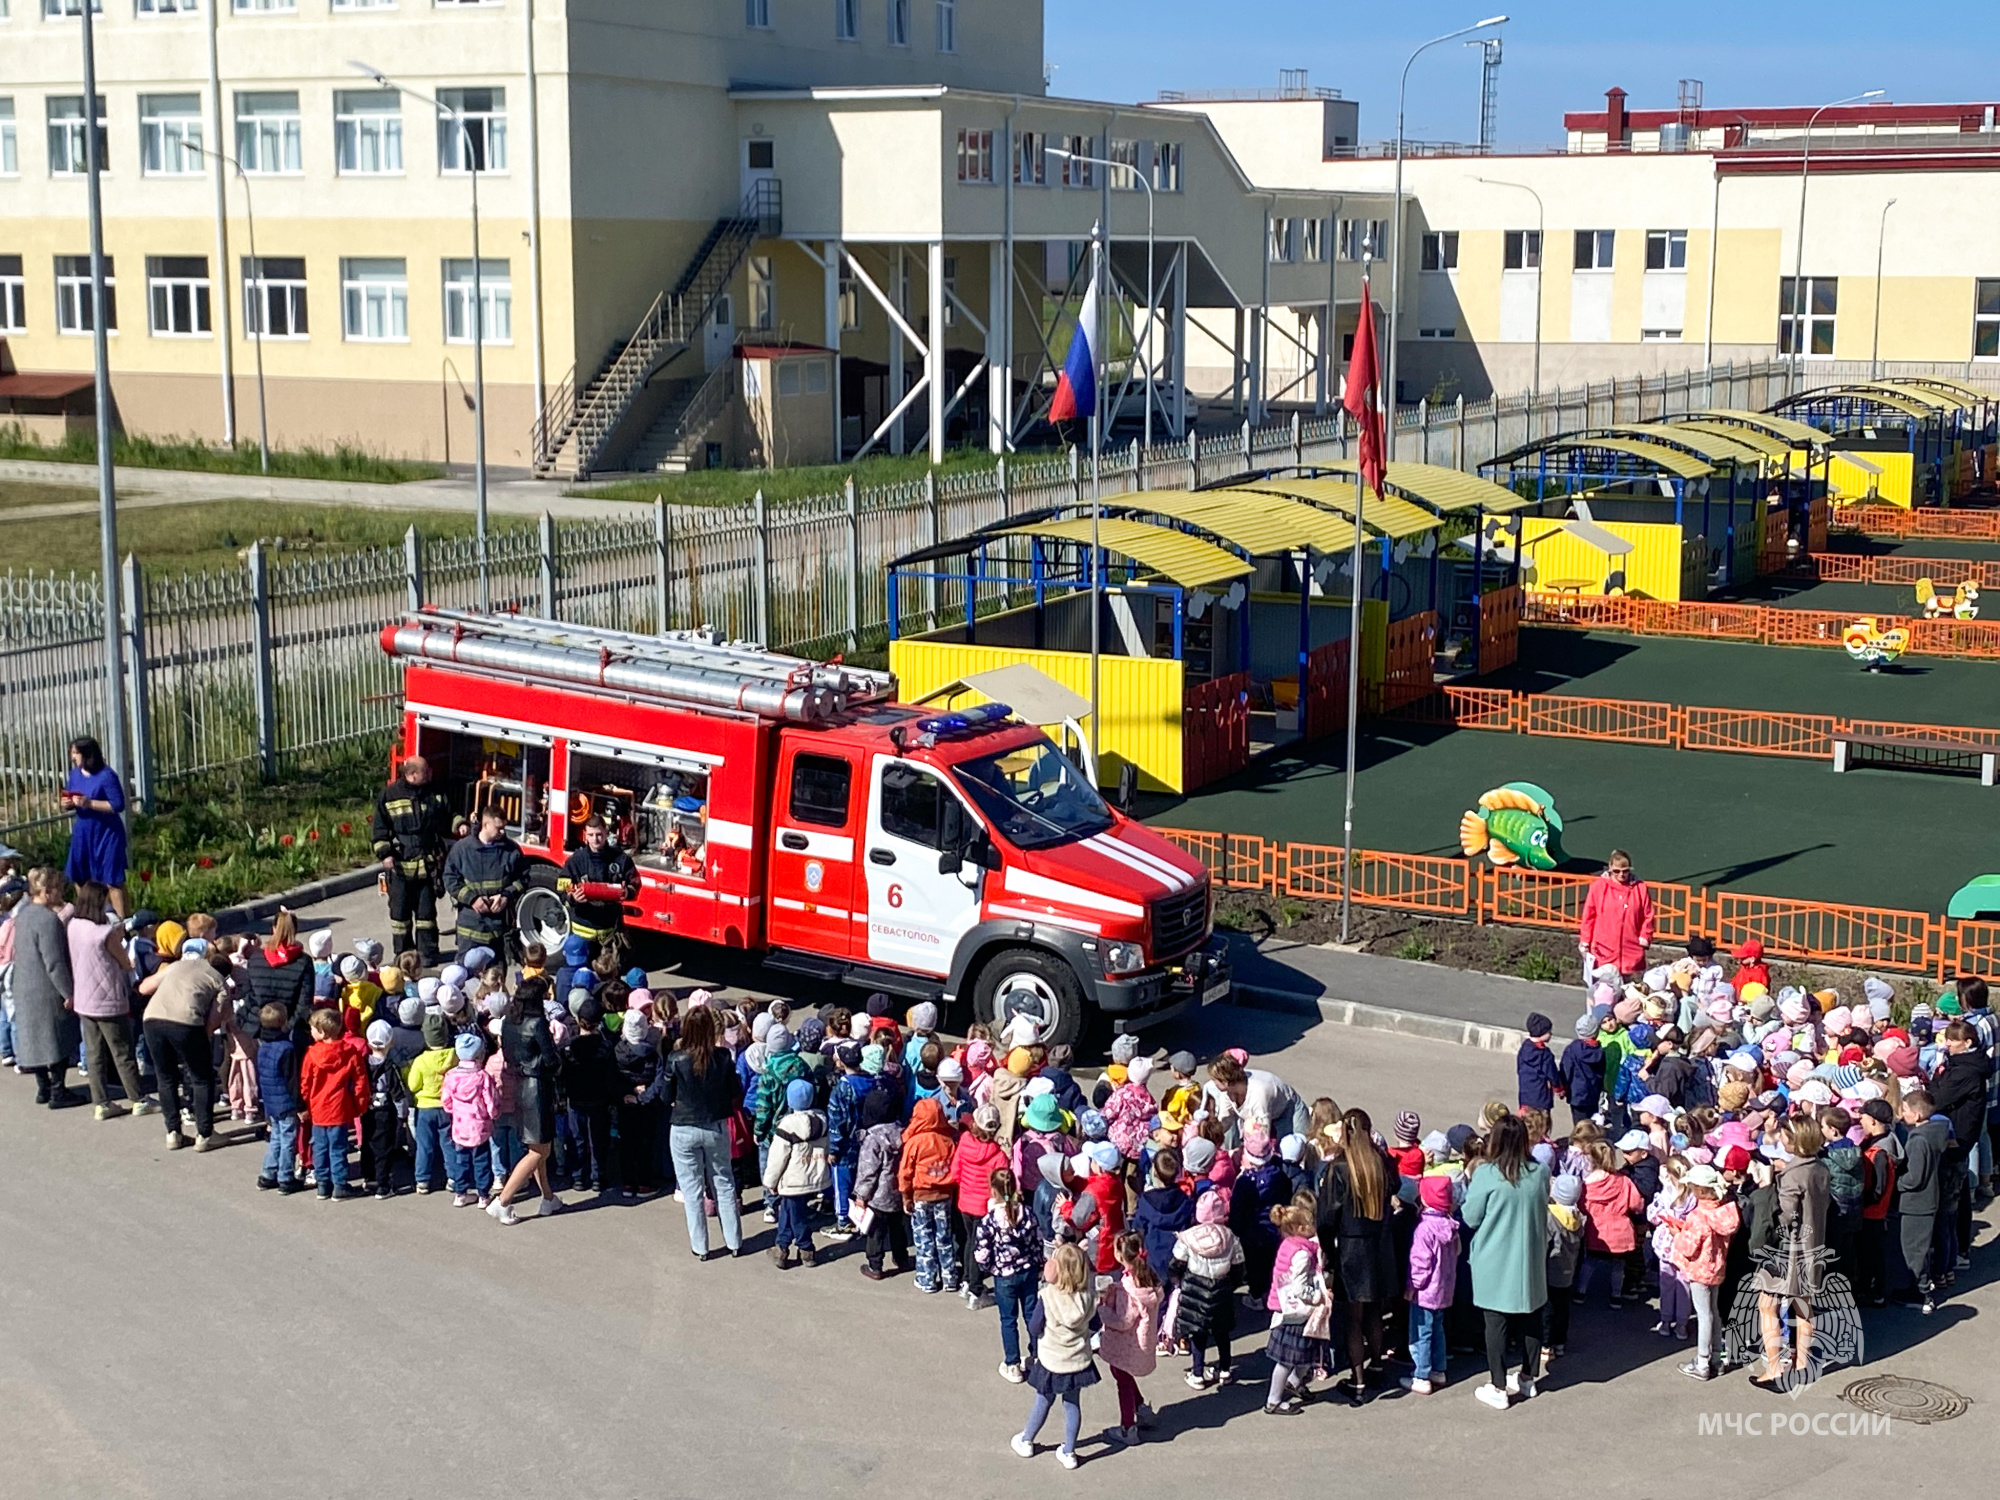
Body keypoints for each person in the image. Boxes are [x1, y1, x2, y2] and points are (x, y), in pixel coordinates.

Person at [1459, 1113, 1551, 1410]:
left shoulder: (1486, 1175)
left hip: (1495, 1258)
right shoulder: (1540, 1172)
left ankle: (1498, 1386)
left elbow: (1471, 1217)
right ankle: (1527, 1377)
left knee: (1495, 1324)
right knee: (1531, 1318)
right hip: (1530, 1257)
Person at [1316, 1107, 1400, 1404]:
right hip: (1379, 1244)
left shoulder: (1339, 1168)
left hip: (1351, 1248)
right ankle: (1376, 1365)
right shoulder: (1379, 1161)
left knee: (1354, 1319)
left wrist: (1326, 1250)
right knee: (1375, 1311)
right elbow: (1397, 1186)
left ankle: (1359, 1380)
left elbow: (1326, 1217)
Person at [1751, 1115, 1830, 1390]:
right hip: (1813, 1245)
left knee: (1767, 1305)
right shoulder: (1820, 1168)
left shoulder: (1793, 1175)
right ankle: (1802, 1363)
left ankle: (1774, 1367)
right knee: (1803, 1305)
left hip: (1786, 1250)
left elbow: (1784, 1217)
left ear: (1792, 1140)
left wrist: (1765, 1193)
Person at [661, 1003, 744, 1259]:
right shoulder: (721, 1058)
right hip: (716, 1126)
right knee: (724, 1182)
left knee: (692, 1189)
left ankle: (701, 1247)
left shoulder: (676, 1059)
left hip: (683, 1128)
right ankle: (734, 1242)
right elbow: (736, 1093)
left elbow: (666, 1096)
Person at [65, 879, 152, 1120]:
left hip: (84, 998)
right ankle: (137, 1098)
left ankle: (101, 1102)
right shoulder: (105, 933)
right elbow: (124, 962)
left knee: (94, 1054)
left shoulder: (74, 926)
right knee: (122, 1051)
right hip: (108, 999)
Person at [1009, 1243, 1098, 1470]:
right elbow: (1095, 1324)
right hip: (1078, 1361)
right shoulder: (1088, 1296)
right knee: (1072, 1404)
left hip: (1052, 1360)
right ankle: (1069, 1452)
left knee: (1043, 1399)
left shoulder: (1047, 1297)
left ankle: (1027, 1439)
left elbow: (1034, 1326)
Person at [139, 933, 229, 1149]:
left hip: (152, 1018)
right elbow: (216, 1017)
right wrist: (202, 1037)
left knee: (166, 1076)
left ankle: (173, 1132)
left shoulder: (175, 966)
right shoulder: (217, 978)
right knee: (201, 1077)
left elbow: (144, 987)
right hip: (187, 1021)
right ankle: (205, 1134)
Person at [488, 978, 564, 1226]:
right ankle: (503, 1201)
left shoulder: (509, 1020)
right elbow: (551, 1059)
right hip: (538, 1088)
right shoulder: (537, 1022)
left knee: (541, 1146)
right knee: (537, 1150)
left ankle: (548, 1198)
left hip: (519, 1084)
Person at [370, 755, 454, 966]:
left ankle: (427, 954)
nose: (430, 774)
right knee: (400, 915)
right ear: (412, 774)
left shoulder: (434, 793)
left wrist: (459, 823)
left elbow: (448, 815)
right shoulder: (390, 795)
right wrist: (386, 853)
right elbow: (379, 830)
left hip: (427, 864)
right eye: (426, 771)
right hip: (400, 867)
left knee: (426, 914)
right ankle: (404, 955)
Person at [10, 868, 83, 1109]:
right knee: (56, 1039)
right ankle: (58, 1090)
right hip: (46, 989)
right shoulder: (48, 920)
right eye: (59, 889)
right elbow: (54, 962)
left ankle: (43, 1087)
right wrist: (68, 992)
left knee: (33, 1040)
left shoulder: (22, 916)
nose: (61, 894)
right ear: (47, 891)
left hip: (24, 984)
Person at [1263, 1198, 1332, 1416]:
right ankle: (1273, 1400)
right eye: (1310, 1224)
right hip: (1295, 1312)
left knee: (1306, 1354)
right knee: (1287, 1360)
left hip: (1287, 1308)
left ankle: (1295, 1381)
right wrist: (1319, 1296)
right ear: (1300, 1228)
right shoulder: (1302, 1254)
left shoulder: (1289, 1245)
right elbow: (1300, 1287)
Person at [1671, 1163, 1740, 1381]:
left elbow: (1688, 1247)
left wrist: (1677, 1234)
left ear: (1700, 1190)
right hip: (1717, 1268)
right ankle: (1717, 1360)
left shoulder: (1699, 1216)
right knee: (1713, 1312)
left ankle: (1702, 1362)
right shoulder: (1724, 1211)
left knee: (1704, 1315)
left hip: (1700, 1270)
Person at [976, 1164, 1044, 1382]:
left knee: (1008, 1319)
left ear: (993, 1191)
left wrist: (986, 1268)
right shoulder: (1028, 1213)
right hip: (1028, 1271)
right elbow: (1038, 1241)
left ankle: (1013, 1364)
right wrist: (1038, 1263)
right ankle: (1037, 1355)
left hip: (1004, 1275)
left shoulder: (989, 1220)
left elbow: (982, 1251)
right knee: (1032, 1314)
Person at [1172, 1189, 1244, 1389]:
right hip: (1221, 1290)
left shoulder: (1189, 1237)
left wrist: (1179, 1282)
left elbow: (1176, 1263)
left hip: (1195, 1291)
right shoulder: (1230, 1237)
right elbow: (1239, 1267)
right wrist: (1232, 1285)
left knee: (1198, 1334)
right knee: (1222, 1334)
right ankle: (1225, 1370)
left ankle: (1197, 1374)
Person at [299, 1007, 370, 1200]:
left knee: (320, 1148)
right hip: (340, 1108)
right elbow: (360, 1081)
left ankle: (323, 1184)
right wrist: (360, 1105)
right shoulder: (350, 1052)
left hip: (318, 1109)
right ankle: (339, 1185)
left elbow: (305, 1082)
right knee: (338, 1148)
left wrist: (304, 1105)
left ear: (322, 1032)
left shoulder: (312, 1054)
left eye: (313, 1028)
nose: (310, 1032)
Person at [1098, 1231, 1161, 1445]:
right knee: (1125, 1376)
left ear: (1120, 1255)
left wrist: (1103, 1309)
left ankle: (1128, 1428)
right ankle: (1141, 1407)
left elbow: (1122, 1320)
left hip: (1126, 1344)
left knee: (1122, 1380)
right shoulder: (1147, 1278)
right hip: (1139, 1343)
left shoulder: (1128, 1288)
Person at [1401, 1174, 1460, 1395]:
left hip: (1425, 1292)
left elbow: (1420, 1263)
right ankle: (1438, 1369)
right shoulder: (1451, 1226)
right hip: (1444, 1289)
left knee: (1420, 1333)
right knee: (1438, 1329)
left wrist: (1413, 1285)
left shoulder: (1424, 1229)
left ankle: (1421, 1375)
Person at [443, 806, 527, 963]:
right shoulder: (462, 849)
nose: (503, 832)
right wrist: (472, 899)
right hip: (470, 925)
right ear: (486, 824)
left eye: (504, 827)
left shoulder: (511, 850)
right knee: (466, 973)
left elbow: (523, 878)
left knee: (496, 976)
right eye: (499, 828)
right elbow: (450, 879)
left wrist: (506, 896)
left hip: (499, 926)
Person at [763, 1076, 830, 1269]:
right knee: (788, 1209)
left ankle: (806, 1247)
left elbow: (777, 1158)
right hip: (814, 1175)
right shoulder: (822, 1120)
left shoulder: (787, 1125)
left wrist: (770, 1182)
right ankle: (781, 1246)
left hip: (793, 1179)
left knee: (796, 1215)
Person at [62, 737, 129, 920]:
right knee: (80, 875)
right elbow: (71, 796)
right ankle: (90, 914)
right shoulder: (75, 774)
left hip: (106, 832)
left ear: (87, 754)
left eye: (76, 753)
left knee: (112, 879)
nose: (72, 757)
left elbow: (117, 804)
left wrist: (90, 803)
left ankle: (122, 922)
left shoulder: (106, 776)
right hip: (84, 831)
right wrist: (68, 803)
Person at [1895, 1090, 1946, 1314]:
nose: (1902, 1114)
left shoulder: (1917, 1141)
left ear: (1916, 1115)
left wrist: (1897, 1182)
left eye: (1905, 1110)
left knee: (1914, 1249)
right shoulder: (1937, 1131)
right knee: (1920, 1247)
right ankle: (1920, 1286)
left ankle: (1921, 1292)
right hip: (1929, 1199)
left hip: (1917, 1203)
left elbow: (1914, 1177)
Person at [853, 1086, 910, 1280]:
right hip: (898, 1191)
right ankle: (902, 1258)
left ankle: (875, 1265)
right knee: (898, 1228)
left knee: (875, 1232)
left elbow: (867, 1171)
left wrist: (861, 1196)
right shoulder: (902, 1131)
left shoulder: (872, 1138)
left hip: (878, 1195)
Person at [558, 817, 637, 949]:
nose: (595, 839)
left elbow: (634, 884)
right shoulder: (576, 861)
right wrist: (572, 897)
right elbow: (561, 888)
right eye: (591, 835)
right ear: (585, 836)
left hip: (610, 932)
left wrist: (627, 892)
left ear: (606, 833)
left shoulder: (620, 859)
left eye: (599, 834)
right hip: (582, 933)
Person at [1578, 849, 1654, 984]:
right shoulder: (1598, 887)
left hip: (1630, 949)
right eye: (1617, 871)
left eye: (1625, 871)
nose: (1621, 875)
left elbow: (1648, 915)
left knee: (1626, 993)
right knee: (1603, 992)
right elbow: (1589, 916)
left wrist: (1644, 937)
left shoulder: (1640, 888)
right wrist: (1585, 941)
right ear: (1610, 868)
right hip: (1603, 948)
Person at [440, 1031, 499, 1207]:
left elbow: (446, 1100)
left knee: (460, 1160)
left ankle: (461, 1193)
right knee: (481, 1160)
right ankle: (483, 1194)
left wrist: (453, 1110)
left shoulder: (451, 1076)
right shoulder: (482, 1077)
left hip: (459, 1125)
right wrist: (494, 1114)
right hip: (479, 1125)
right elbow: (490, 1099)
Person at [253, 1003, 303, 1193]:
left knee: (276, 1137)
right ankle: (285, 1177)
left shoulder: (263, 1047)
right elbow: (292, 1081)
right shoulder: (286, 1048)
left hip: (271, 1101)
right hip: (285, 1101)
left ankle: (268, 1174)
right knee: (288, 1139)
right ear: (283, 1022)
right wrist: (300, 1105)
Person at [1516, 1013, 1563, 1112]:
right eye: (1549, 1032)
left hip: (1525, 1095)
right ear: (1541, 1033)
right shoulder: (1545, 1054)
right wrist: (1558, 1088)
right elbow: (1552, 1073)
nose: (1551, 1034)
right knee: (1541, 1123)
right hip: (1541, 1097)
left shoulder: (1524, 1049)